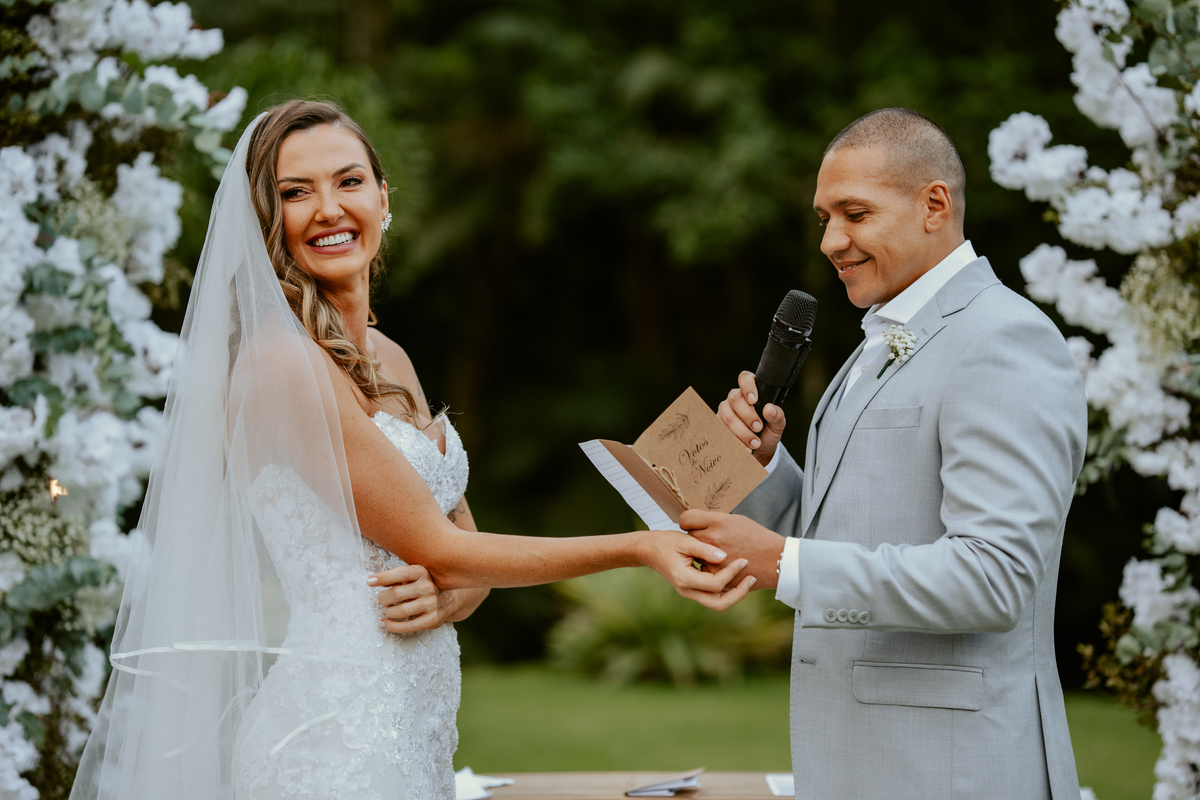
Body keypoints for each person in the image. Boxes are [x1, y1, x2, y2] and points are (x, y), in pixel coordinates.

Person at [70, 100, 752, 800]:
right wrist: (638, 548)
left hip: (416, 723)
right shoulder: (280, 364)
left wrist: (452, 594)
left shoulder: (390, 355)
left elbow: (466, 553)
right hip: (335, 740)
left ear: (383, 195)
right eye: (295, 193)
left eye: (349, 181)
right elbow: (444, 545)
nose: (329, 209)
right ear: (264, 221)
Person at [682, 108, 1087, 799]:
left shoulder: (1003, 340)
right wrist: (759, 468)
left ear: (935, 205)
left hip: (951, 770)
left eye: (855, 214)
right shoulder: (879, 344)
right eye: (823, 219)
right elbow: (844, 534)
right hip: (859, 764)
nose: (832, 240)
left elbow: (994, 577)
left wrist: (782, 563)